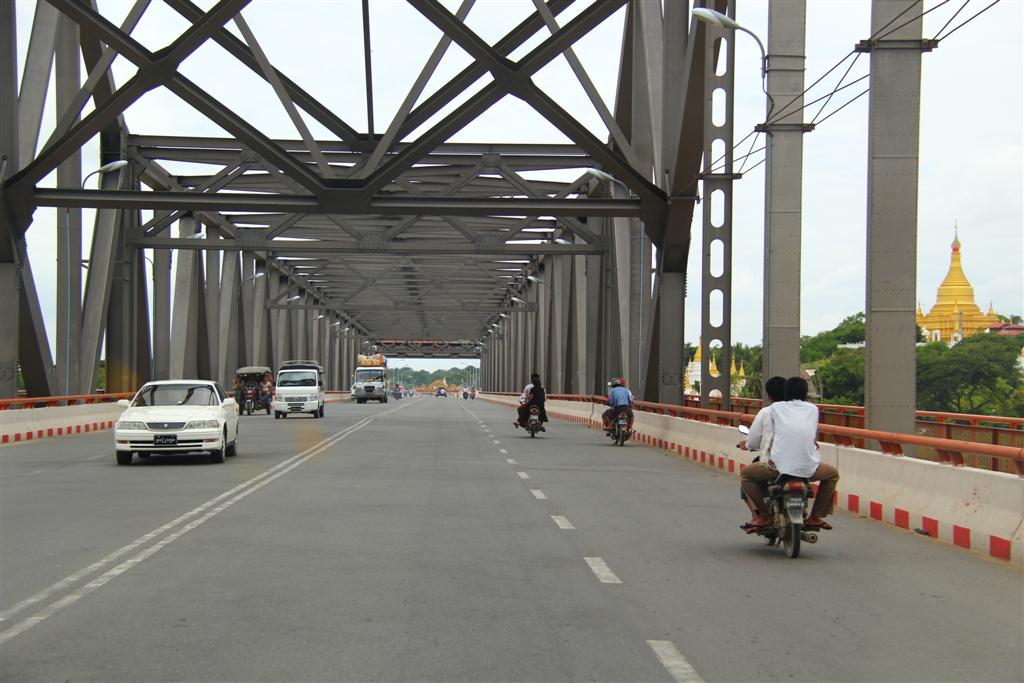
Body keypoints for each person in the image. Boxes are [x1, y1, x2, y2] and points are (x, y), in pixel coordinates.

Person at [739, 376, 840, 530]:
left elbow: (767, 434)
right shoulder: (813, 409)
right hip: (809, 467)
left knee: (746, 474)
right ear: (806, 393)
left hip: (777, 467)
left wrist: (750, 445)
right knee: (832, 474)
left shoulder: (775, 408)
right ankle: (816, 516)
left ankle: (764, 516)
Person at [737, 376, 786, 519]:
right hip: (802, 464)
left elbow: (753, 441)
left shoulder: (766, 412)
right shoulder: (803, 412)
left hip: (773, 463)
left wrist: (746, 445)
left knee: (746, 475)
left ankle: (762, 515)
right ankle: (812, 514)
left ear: (769, 396)